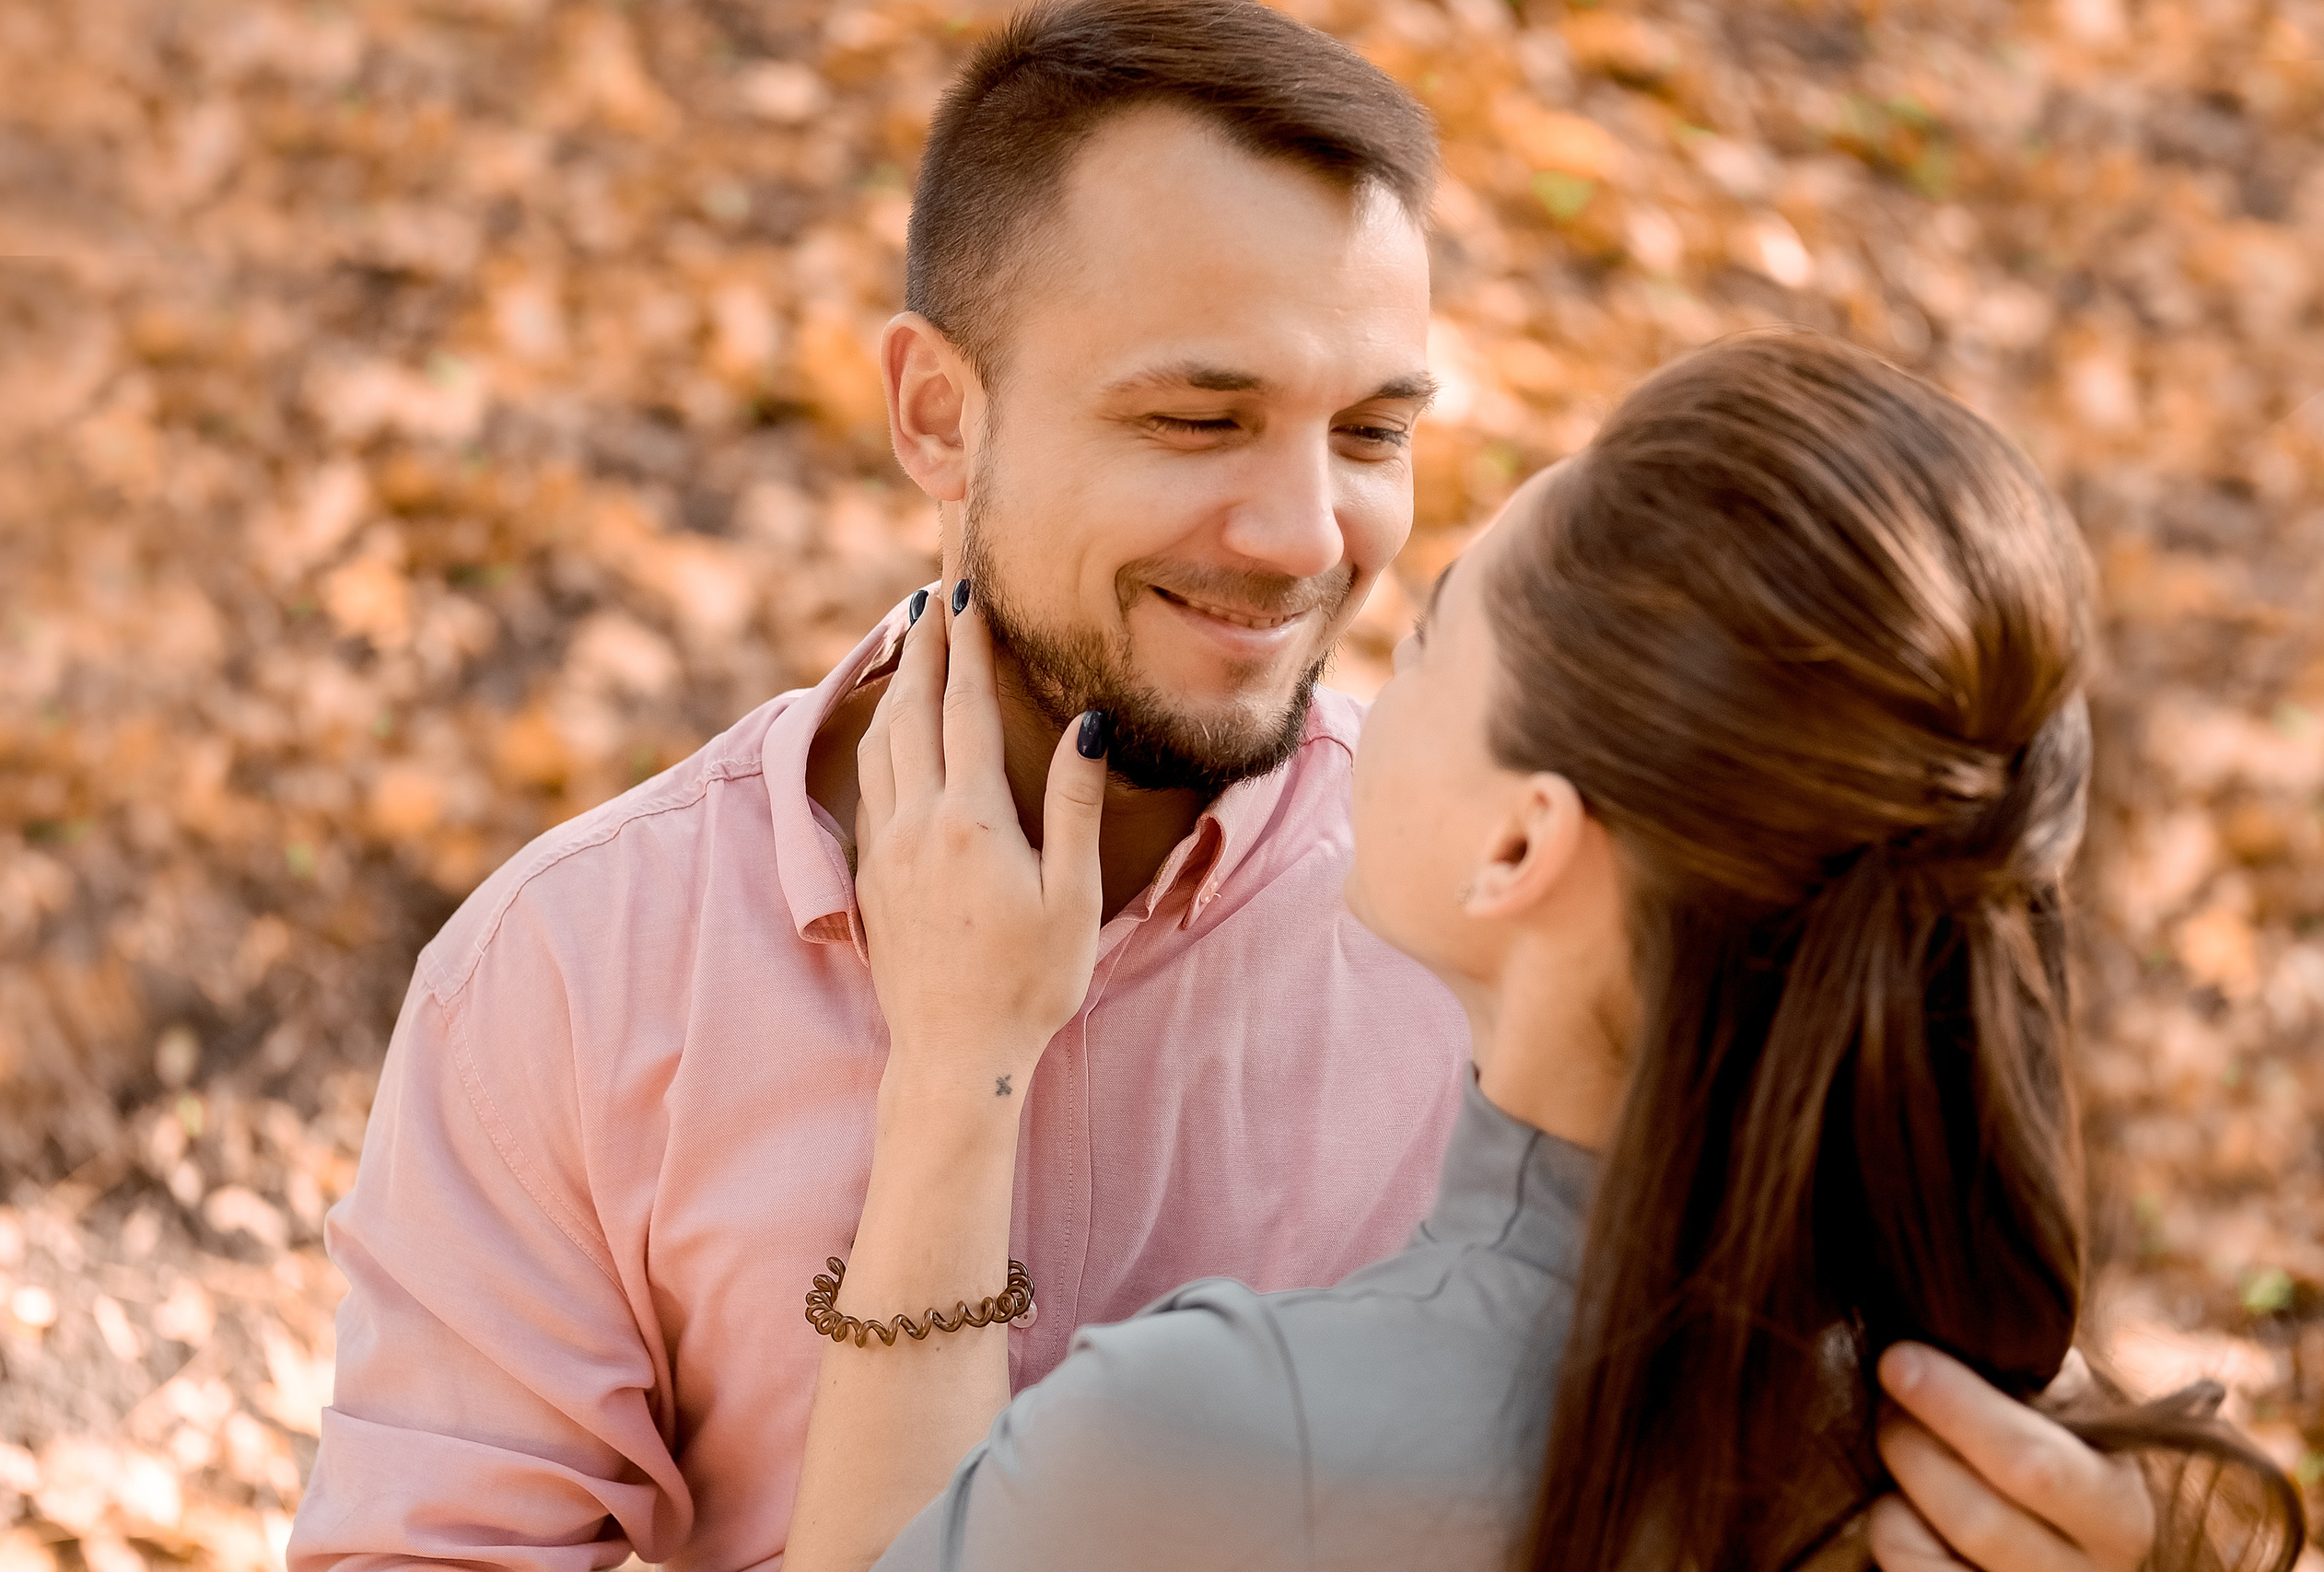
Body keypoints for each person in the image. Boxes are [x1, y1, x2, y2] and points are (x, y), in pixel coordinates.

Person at [289, 5, 2166, 1568]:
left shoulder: (1568, 926)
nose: (1300, 537)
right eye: (1195, 419)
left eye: (1369, 431)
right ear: (939, 412)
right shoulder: (573, 971)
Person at [789, 331, 2303, 1572]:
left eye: (1440, 632)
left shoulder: (1229, 1439)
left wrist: (956, 1071)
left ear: (1521, 845)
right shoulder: (2047, 1485)